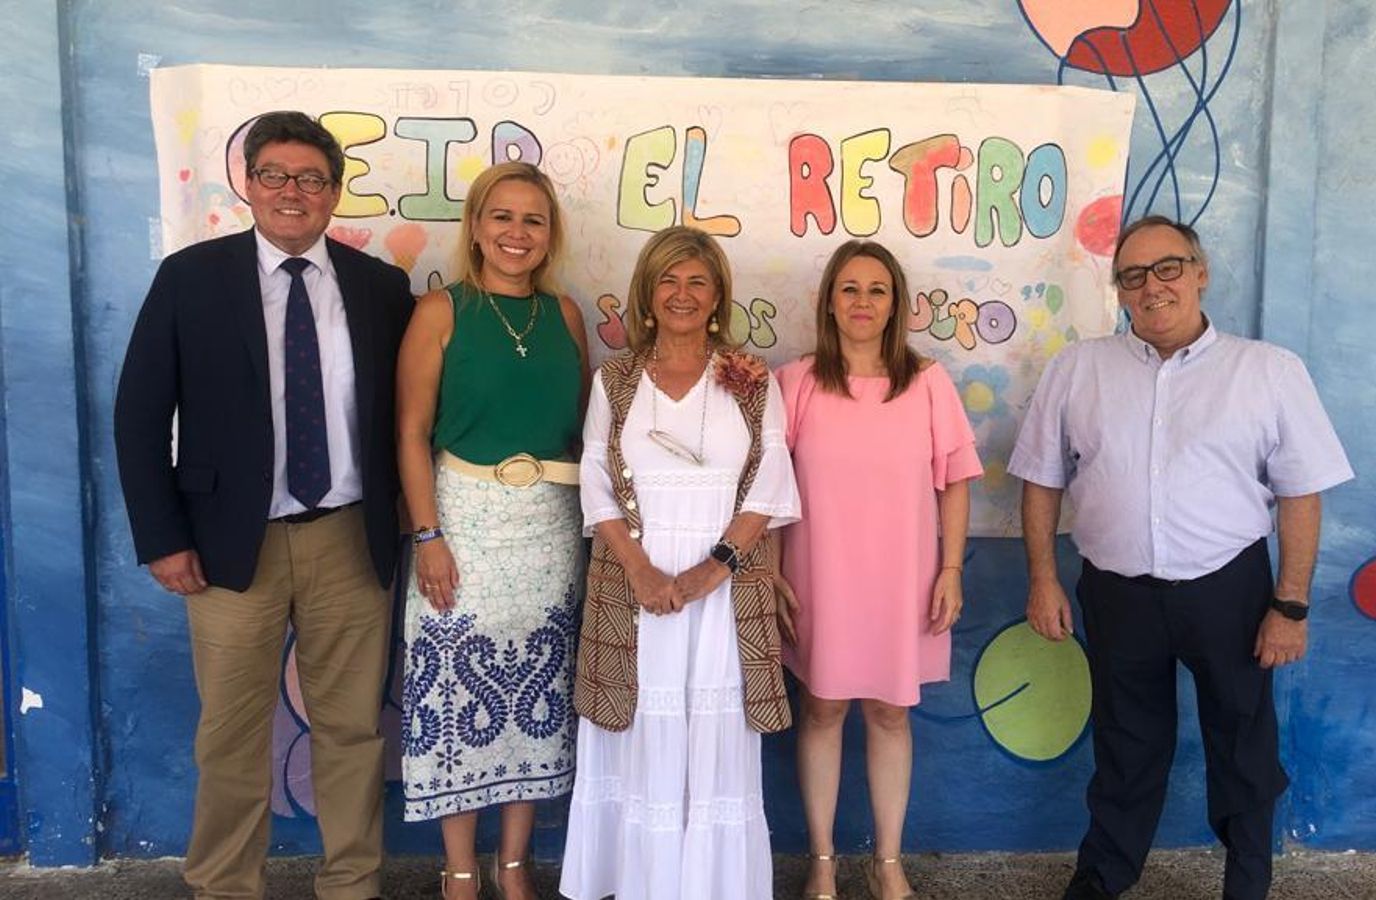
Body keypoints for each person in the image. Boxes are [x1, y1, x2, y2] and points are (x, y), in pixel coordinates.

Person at [113, 110, 413, 900]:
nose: (292, 192)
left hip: (351, 540)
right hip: (223, 546)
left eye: (311, 179)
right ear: (246, 184)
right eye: (274, 175)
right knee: (232, 735)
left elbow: (411, 414)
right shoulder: (191, 278)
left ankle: (352, 883)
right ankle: (222, 886)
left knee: (352, 731)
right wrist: (162, 538)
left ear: (334, 194)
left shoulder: (380, 288)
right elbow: (140, 414)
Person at [1008, 216, 1353, 900]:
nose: (1152, 286)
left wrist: (1290, 604)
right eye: (1132, 275)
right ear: (1121, 292)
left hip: (1229, 592)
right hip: (1116, 593)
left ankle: (1247, 885)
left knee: (1243, 746)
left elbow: (1301, 495)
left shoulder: (1268, 371)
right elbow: (1042, 479)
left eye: (1167, 267)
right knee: (1125, 748)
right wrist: (1044, 580)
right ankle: (1102, 880)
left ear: (1200, 273)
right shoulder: (1079, 369)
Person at [559, 226, 800, 900]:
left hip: (723, 590)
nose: (683, 294)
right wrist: (640, 570)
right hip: (634, 585)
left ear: (718, 294)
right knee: (638, 728)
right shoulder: (617, 379)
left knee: (715, 735)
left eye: (697, 281)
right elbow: (595, 481)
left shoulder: (751, 381)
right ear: (647, 292)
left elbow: (769, 483)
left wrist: (711, 569)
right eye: (669, 280)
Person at [395, 161, 589, 899]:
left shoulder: (565, 316)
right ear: (476, 227)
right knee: (454, 697)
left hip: (549, 528)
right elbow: (410, 433)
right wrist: (428, 535)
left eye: (532, 220)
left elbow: (580, 435)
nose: (516, 232)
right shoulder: (441, 312)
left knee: (533, 693)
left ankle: (513, 864)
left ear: (549, 235)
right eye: (501, 217)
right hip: (462, 525)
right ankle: (460, 868)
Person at [773, 240, 981, 900]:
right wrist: (773, 574)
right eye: (850, 289)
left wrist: (950, 569)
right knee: (824, 707)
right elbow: (770, 493)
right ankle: (824, 861)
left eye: (877, 290)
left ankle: (888, 860)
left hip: (903, 579)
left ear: (898, 305)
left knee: (891, 713)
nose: (863, 302)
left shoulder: (927, 382)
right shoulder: (797, 381)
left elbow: (954, 482)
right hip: (818, 578)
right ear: (828, 301)